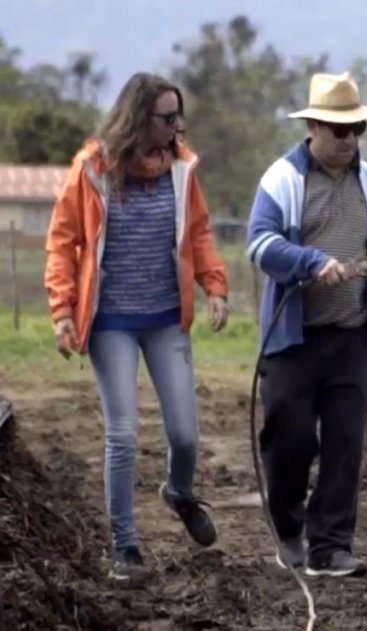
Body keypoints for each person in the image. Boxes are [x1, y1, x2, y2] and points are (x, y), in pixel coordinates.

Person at [43, 72, 230, 581]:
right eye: (167, 117)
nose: (177, 127)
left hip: (167, 318)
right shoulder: (92, 170)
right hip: (111, 324)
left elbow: (199, 232)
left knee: (185, 436)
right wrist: (63, 312)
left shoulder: (182, 171)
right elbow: (62, 243)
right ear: (138, 118)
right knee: (122, 435)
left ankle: (178, 492)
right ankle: (125, 547)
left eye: (178, 116)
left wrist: (216, 286)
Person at [246, 71, 367, 578]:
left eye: (357, 130)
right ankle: (289, 528)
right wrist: (310, 261)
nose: (350, 140)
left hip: (353, 336)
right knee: (290, 442)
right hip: (293, 340)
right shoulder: (283, 181)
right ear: (313, 127)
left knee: (344, 444)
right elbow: (259, 244)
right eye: (340, 131)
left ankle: (331, 545)